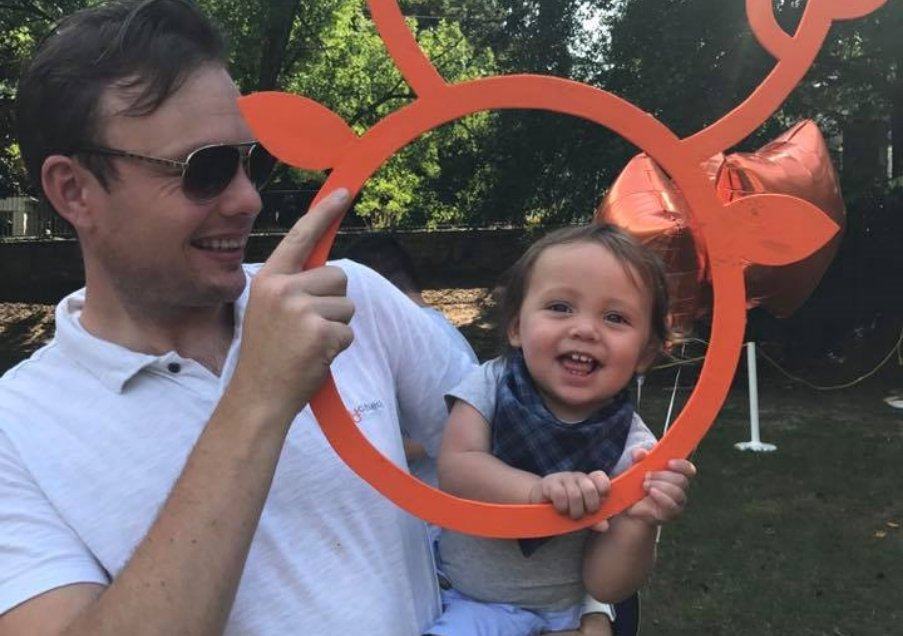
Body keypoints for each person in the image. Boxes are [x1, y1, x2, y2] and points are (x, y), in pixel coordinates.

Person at [0, 1, 475, 634]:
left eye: (247, 160)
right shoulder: (17, 433)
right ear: (73, 190)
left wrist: (583, 600)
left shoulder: (347, 298)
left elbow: (525, 444)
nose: (248, 199)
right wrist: (258, 396)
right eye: (205, 170)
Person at [429, 225, 697, 635]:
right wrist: (537, 492)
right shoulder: (491, 383)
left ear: (644, 353)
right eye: (560, 307)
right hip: (469, 599)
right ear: (517, 326)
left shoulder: (637, 449)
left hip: (566, 616)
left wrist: (639, 522)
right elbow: (457, 466)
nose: (585, 329)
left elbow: (607, 585)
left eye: (615, 317)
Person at [344, 234, 478, 490]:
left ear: (372, 290)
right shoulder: (441, 332)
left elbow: (460, 433)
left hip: (435, 515)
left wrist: (370, 443)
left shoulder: (424, 340)